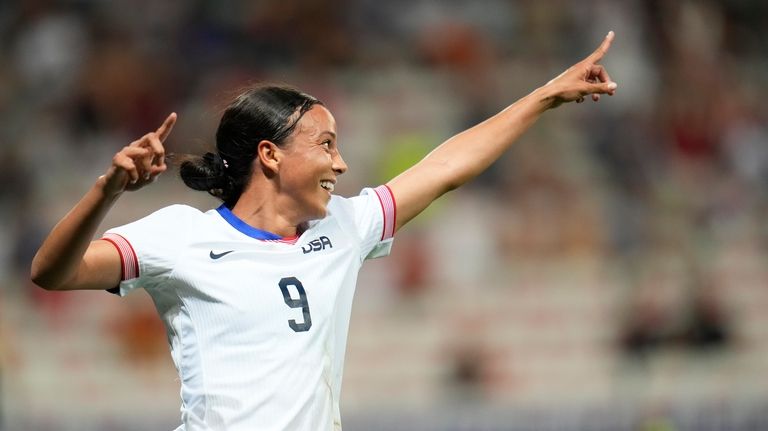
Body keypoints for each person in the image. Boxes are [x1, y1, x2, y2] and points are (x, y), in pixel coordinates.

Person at [31, 32, 618, 431]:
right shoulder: (181, 237)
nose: (341, 165)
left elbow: (442, 169)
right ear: (271, 155)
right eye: (327, 145)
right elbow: (52, 273)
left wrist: (543, 97)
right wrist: (106, 191)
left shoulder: (342, 227)